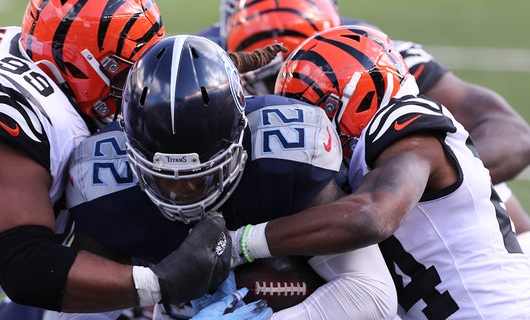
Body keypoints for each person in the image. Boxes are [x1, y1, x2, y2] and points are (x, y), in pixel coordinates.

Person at [0, 1, 235, 319]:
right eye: (121, 75)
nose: (133, 89)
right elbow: (27, 268)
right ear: (76, 62)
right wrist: (161, 281)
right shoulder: (14, 112)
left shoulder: (25, 52)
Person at [63, 35, 397, 319]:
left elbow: (374, 295)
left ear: (241, 137)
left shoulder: (283, 155)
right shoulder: (102, 184)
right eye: (165, 179)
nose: (183, 193)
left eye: (200, 178)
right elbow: (77, 310)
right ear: (130, 153)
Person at [222, 25, 530, 319]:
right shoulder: (366, 165)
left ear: (360, 96)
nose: (312, 132)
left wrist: (240, 243)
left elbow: (371, 215)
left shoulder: (410, 125)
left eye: (317, 113)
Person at [207, 0, 530, 249]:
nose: (297, 94)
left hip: (387, 207)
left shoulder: (371, 58)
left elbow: (514, 136)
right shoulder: (212, 69)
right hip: (341, 210)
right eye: (278, 79)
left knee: (441, 152)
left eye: (317, 74)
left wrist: (401, 182)